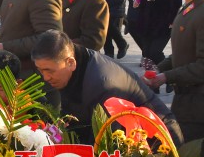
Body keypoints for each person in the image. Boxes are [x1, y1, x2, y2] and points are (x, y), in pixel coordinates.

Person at [33, 30, 182, 145]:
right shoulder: (72, 63)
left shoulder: (102, 85)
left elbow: (105, 144)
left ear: (70, 63)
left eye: (49, 71)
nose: (46, 77)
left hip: (156, 142)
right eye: (41, 71)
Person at [150, 0, 204, 141]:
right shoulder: (188, 9)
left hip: (198, 108)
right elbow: (183, 53)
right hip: (185, 103)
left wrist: (166, 77)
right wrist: (159, 70)